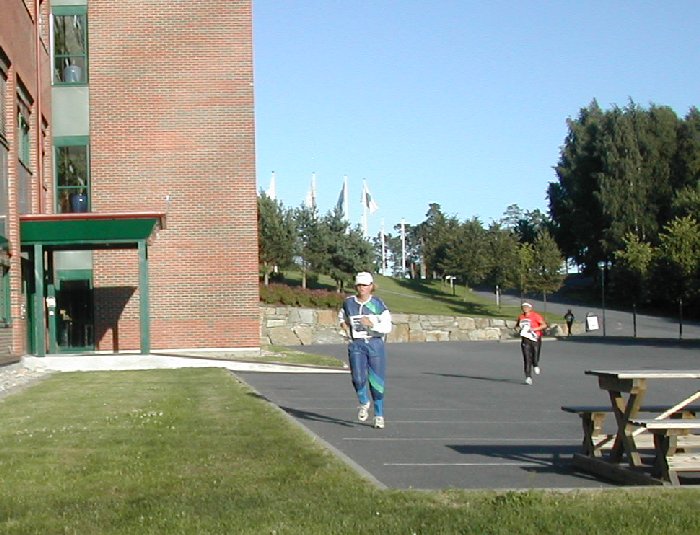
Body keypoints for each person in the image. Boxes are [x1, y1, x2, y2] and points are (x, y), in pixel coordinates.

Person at [338, 272, 393, 429]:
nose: (362, 288)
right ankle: (363, 402)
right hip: (357, 344)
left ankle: (379, 415)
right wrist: (343, 325)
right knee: (357, 378)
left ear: (371, 286)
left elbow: (387, 326)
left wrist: (372, 324)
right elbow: (342, 317)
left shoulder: (378, 304)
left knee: (376, 381)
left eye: (365, 285)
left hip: (374, 343)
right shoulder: (349, 303)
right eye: (359, 285)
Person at [515, 302, 547, 385]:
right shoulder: (521, 317)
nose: (525, 308)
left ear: (530, 308)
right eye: (523, 307)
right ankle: (528, 377)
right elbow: (517, 326)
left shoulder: (536, 316)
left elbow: (544, 325)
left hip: (535, 338)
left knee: (535, 356)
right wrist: (518, 329)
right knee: (526, 358)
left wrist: (534, 329)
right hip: (525, 340)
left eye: (526, 307)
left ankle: (535, 364)